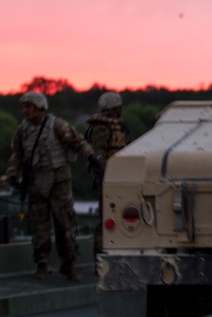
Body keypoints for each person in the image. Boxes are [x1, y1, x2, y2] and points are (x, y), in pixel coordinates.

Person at [0, 91, 103, 281]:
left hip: (59, 182)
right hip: (35, 183)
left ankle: (68, 264)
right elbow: (17, 155)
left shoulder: (57, 125)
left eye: (29, 106)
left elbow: (77, 142)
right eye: (23, 106)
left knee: (65, 224)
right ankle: (42, 264)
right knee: (39, 227)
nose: (25, 110)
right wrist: (13, 174)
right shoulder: (22, 131)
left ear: (40, 107)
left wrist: (91, 156)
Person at [85, 91, 131, 258]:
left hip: (120, 177)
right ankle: (100, 256)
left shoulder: (118, 126)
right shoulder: (101, 128)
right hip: (107, 179)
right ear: (114, 108)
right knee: (105, 218)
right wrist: (106, 177)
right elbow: (99, 156)